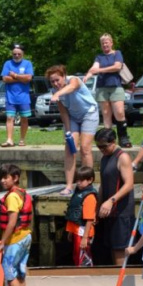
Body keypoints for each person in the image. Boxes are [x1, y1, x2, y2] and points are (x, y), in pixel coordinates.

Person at [47, 65, 99, 196]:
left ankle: (88, 183)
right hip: (73, 117)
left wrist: (58, 93)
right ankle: (69, 185)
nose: (55, 83)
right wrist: (68, 131)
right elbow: (63, 111)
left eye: (57, 80)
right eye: (52, 81)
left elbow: (72, 87)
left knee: (85, 148)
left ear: (64, 76)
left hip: (89, 113)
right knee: (70, 148)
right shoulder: (55, 90)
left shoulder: (73, 80)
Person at [93, 128, 135, 266]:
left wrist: (111, 201)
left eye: (104, 146)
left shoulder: (122, 157)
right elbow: (102, 186)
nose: (101, 149)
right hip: (108, 212)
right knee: (111, 248)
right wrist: (97, 208)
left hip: (121, 212)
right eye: (98, 146)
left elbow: (129, 184)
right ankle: (114, 280)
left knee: (119, 250)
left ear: (113, 142)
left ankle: (120, 283)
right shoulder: (105, 158)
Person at [84, 33, 132, 148]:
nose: (105, 45)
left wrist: (99, 70)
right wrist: (87, 76)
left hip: (116, 86)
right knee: (106, 114)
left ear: (111, 43)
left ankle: (123, 137)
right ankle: (108, 139)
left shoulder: (117, 53)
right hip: (102, 87)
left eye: (106, 42)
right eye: (102, 43)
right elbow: (93, 68)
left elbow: (117, 67)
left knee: (119, 113)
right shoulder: (99, 57)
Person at [0, 164, 33, 286]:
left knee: (9, 273)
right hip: (26, 237)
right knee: (20, 272)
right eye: (1, 178)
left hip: (16, 239)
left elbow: (11, 223)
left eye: (6, 178)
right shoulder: (21, 193)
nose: (2, 181)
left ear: (15, 178)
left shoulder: (11, 196)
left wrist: (2, 243)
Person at [0, 44, 34, 148]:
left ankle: (22, 140)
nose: (17, 55)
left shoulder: (28, 64)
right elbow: (5, 79)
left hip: (24, 97)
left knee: (24, 119)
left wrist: (14, 75)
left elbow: (28, 78)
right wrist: (21, 78)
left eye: (19, 54)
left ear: (23, 54)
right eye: (14, 54)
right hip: (10, 97)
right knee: (10, 118)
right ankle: (9, 140)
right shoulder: (7, 63)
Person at [66, 166, 97, 267]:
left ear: (90, 180)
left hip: (83, 232)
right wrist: (71, 232)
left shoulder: (89, 197)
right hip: (76, 230)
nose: (78, 182)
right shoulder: (78, 192)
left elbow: (89, 219)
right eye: (77, 180)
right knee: (76, 256)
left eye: (81, 180)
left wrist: (85, 238)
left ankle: (85, 278)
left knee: (84, 260)